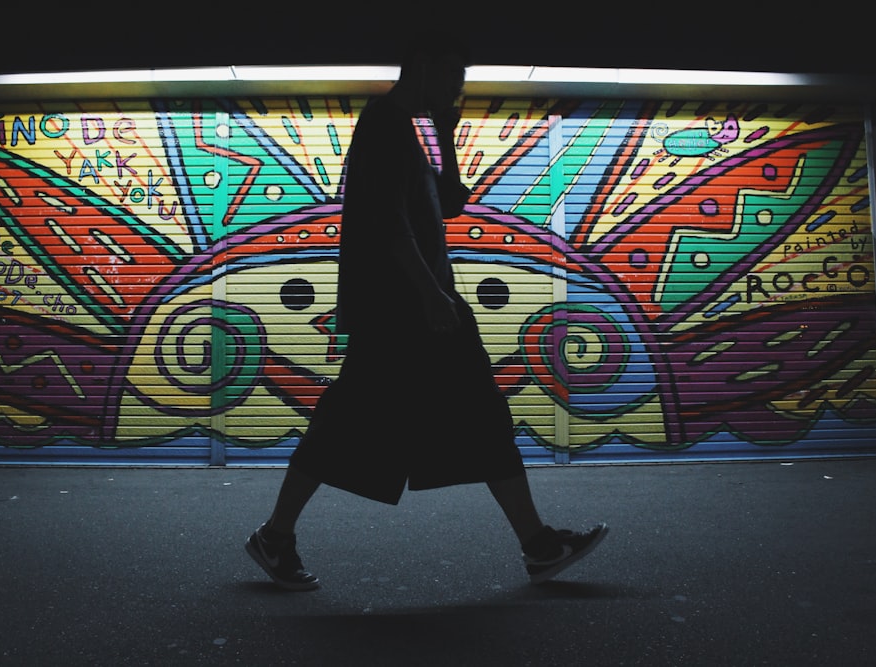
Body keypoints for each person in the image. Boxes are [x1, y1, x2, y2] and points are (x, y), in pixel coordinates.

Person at [245, 34, 607, 591]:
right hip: (402, 309)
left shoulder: (408, 132)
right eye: (452, 79)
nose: (458, 89)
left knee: (462, 413)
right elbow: (388, 222)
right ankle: (275, 536)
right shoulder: (384, 126)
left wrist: (445, 130)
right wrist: (429, 295)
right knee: (355, 420)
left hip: (414, 305)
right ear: (422, 69)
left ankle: (538, 544)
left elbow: (453, 203)